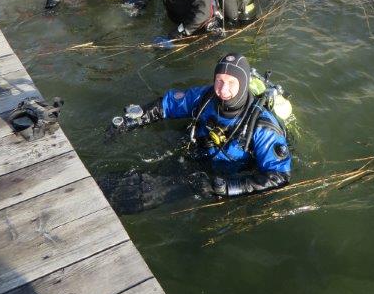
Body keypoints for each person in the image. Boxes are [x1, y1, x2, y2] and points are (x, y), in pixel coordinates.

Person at [111, 52, 291, 198]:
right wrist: (131, 121)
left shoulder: (263, 126)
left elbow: (279, 176)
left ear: (243, 85)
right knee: (144, 179)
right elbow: (166, 105)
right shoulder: (206, 97)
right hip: (199, 153)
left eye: (231, 83)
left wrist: (229, 188)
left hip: (230, 175)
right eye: (219, 81)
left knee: (153, 192)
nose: (222, 90)